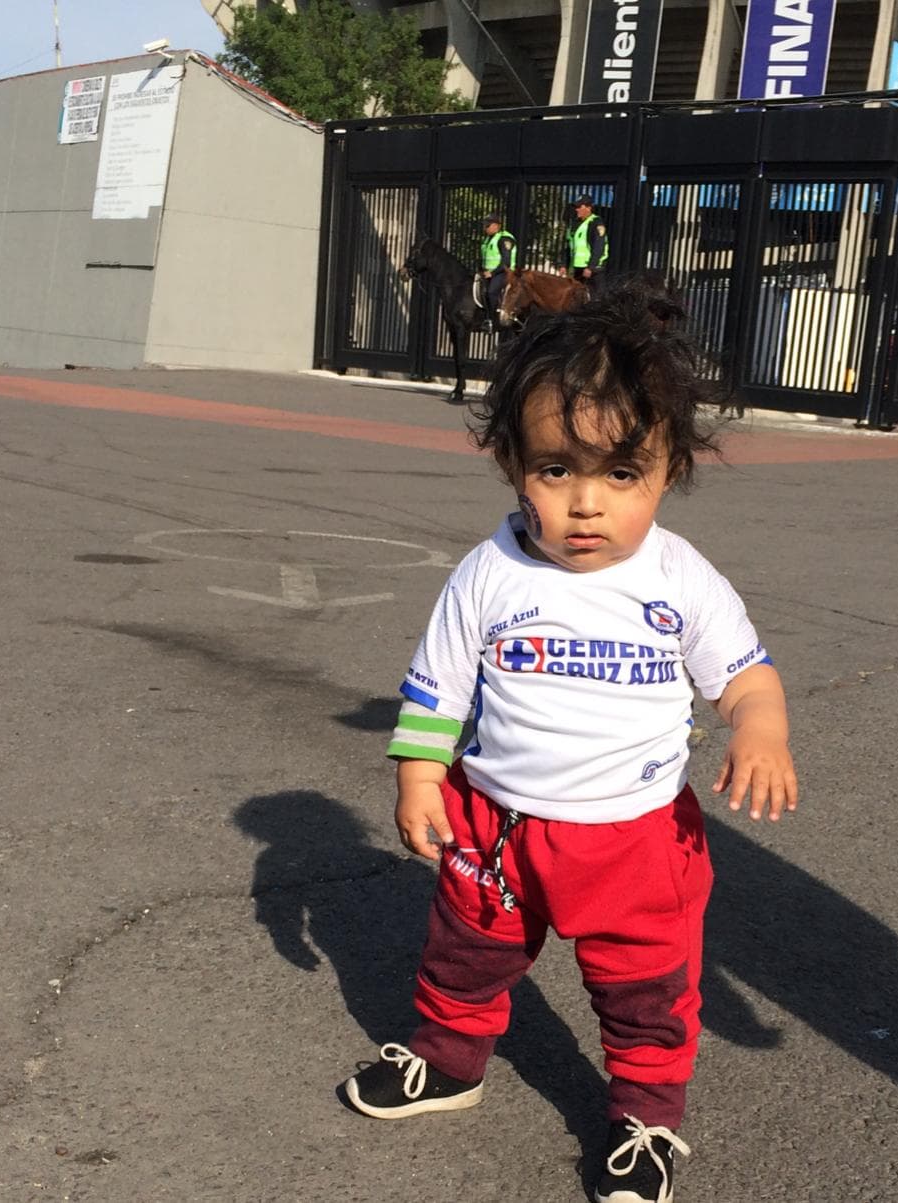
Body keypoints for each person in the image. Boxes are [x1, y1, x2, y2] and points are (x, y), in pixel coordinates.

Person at [342, 280, 799, 1203]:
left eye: (621, 474)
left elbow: (746, 677)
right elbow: (439, 688)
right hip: (498, 824)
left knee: (645, 990)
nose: (586, 504)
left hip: (635, 838)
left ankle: (646, 1116)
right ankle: (451, 1057)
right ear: (513, 462)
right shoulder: (491, 570)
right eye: (556, 470)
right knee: (465, 952)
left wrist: (761, 727)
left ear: (668, 472)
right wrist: (420, 778)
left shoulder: (682, 578)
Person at [479, 213, 517, 334]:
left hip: (503, 272)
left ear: (496, 226)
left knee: (491, 292)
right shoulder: (488, 239)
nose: (485, 228)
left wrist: (492, 273)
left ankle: (492, 321)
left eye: (487, 225)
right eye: (484, 226)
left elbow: (506, 261)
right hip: (489, 272)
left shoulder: (504, 239)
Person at [563, 193, 609, 291]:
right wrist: (564, 265)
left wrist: (590, 267)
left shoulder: (595, 222)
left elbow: (598, 247)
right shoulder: (575, 224)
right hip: (578, 268)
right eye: (576, 207)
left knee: (596, 299)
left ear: (589, 208)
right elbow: (569, 247)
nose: (577, 209)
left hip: (594, 270)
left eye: (580, 207)